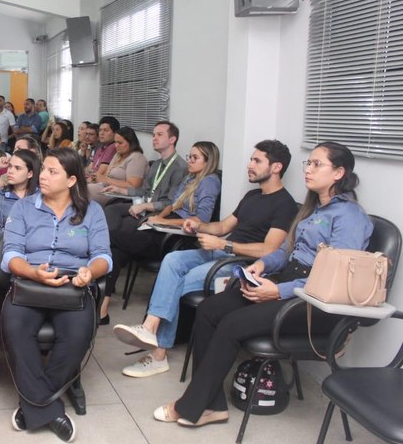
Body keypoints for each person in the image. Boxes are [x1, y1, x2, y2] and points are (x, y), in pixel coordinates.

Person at [153, 141, 373, 427]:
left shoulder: (349, 216)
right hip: (289, 284)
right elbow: (286, 252)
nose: (309, 170)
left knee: (231, 324)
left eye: (318, 164)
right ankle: (214, 405)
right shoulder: (313, 210)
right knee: (209, 309)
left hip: (312, 303)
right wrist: (262, 266)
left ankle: (191, 405)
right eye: (309, 163)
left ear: (338, 173)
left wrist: (278, 291)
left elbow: (336, 279)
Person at [113, 140, 299, 377]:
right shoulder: (252, 196)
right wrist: (199, 225)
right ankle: (150, 327)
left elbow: (270, 251)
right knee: (173, 260)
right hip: (222, 252)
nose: (249, 165)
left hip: (241, 265)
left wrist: (226, 245)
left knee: (182, 280)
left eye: (257, 161)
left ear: (276, 167)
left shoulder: (285, 204)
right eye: (251, 159)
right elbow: (222, 226)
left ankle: (159, 352)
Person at [1, 147, 112, 443]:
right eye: (43, 170)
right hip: (29, 281)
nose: (43, 176)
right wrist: (33, 272)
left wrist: (90, 272)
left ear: (72, 180)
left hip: (73, 284)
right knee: (15, 329)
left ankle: (33, 407)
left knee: (78, 335)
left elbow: (103, 256)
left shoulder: (92, 211)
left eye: (53, 172)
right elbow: (10, 254)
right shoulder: (24, 207)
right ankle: (48, 409)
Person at [103, 141, 221, 323]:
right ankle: (103, 310)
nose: (189, 160)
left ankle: (101, 303)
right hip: (162, 226)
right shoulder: (190, 177)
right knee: (117, 250)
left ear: (208, 162)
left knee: (111, 238)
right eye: (190, 156)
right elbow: (172, 205)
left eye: (195, 158)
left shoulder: (209, 182)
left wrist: (164, 221)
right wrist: (158, 217)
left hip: (174, 237)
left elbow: (200, 220)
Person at [99, 121, 187, 322]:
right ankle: (102, 309)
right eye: (154, 134)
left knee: (114, 246)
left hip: (156, 223)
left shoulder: (180, 167)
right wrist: (121, 190)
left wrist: (147, 206)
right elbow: (143, 192)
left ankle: (102, 305)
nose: (154, 138)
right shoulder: (156, 165)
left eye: (159, 135)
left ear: (172, 139)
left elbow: (172, 203)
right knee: (111, 210)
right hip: (141, 212)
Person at [88, 126, 148, 206]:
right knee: (79, 188)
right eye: (115, 142)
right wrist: (97, 178)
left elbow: (134, 186)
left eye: (120, 143)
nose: (116, 146)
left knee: (86, 191)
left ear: (130, 143)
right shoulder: (118, 155)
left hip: (122, 196)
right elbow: (106, 175)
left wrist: (106, 180)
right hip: (109, 189)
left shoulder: (136, 157)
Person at [87, 116, 119, 182]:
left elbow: (99, 174)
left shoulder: (113, 148)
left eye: (106, 130)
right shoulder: (100, 148)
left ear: (115, 133)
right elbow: (89, 168)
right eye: (100, 130)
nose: (101, 133)